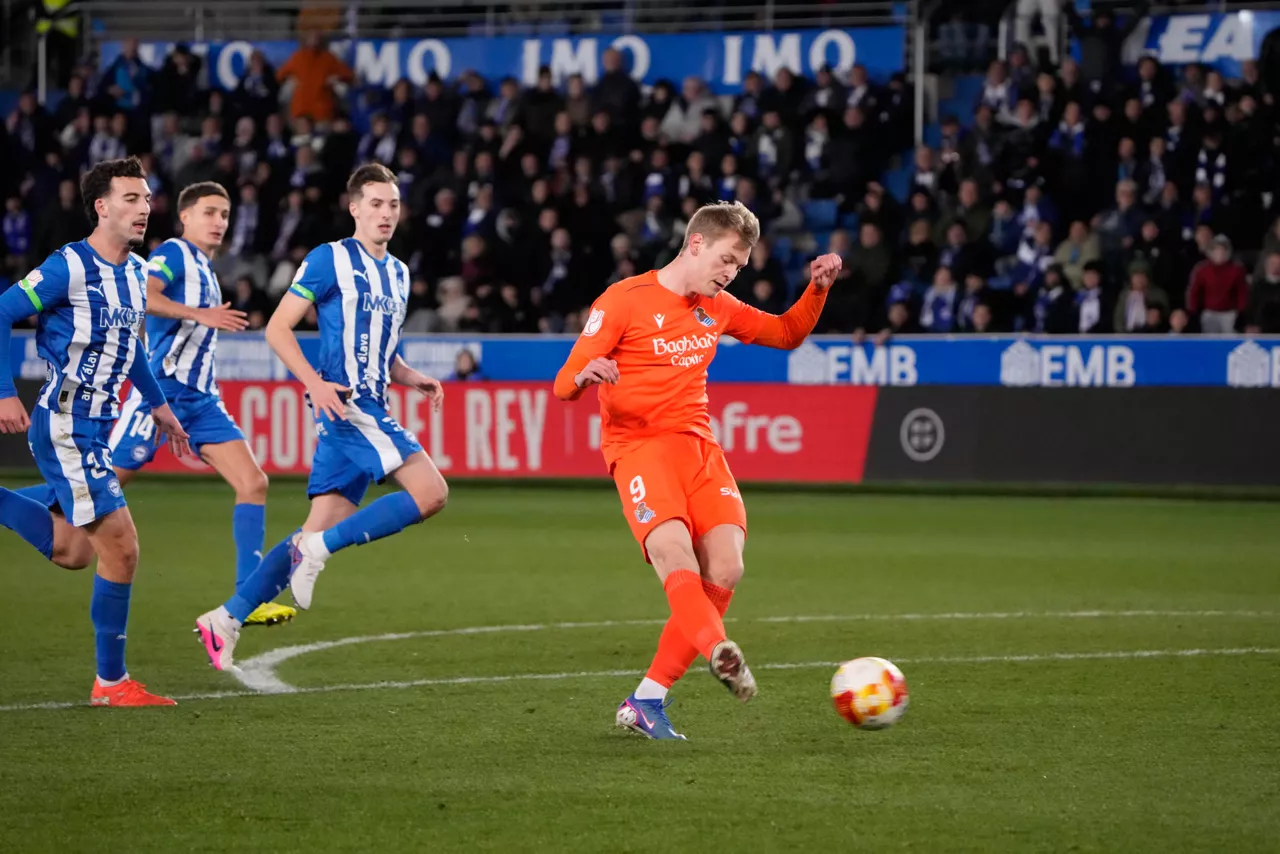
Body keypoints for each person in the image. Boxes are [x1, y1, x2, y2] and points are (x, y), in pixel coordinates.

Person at [553, 200, 842, 739]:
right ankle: (718, 651)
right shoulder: (623, 301)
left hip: (699, 448)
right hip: (638, 448)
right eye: (728, 259)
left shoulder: (720, 307)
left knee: (727, 569)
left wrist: (818, 289)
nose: (732, 272)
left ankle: (646, 701)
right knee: (672, 553)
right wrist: (586, 373)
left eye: (740, 265)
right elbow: (562, 383)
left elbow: (785, 334)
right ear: (696, 244)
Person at [194, 164, 447, 670]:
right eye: (375, 203)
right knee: (431, 493)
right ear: (354, 207)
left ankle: (225, 618)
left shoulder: (398, 272)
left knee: (318, 524)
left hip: (369, 402)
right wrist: (312, 383)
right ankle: (319, 549)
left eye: (393, 205)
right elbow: (278, 329)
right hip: (347, 407)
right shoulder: (329, 259)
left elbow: (383, 353)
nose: (385, 213)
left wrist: (411, 375)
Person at [0, 157, 190, 706]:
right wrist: (5, 391)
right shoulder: (67, 267)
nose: (143, 208)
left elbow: (130, 349)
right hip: (65, 425)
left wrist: (158, 406)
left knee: (73, 550)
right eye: (130, 198)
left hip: (96, 427)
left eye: (147, 198)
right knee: (123, 549)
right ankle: (110, 684)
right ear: (101, 206)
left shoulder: (136, 271)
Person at [106, 182, 294, 627]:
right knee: (92, 495)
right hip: (162, 395)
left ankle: (248, 598)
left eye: (225, 215)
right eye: (209, 212)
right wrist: (200, 314)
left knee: (253, 482)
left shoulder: (206, 269)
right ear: (186, 216)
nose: (219, 222)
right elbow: (144, 298)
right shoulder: (173, 252)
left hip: (202, 400)